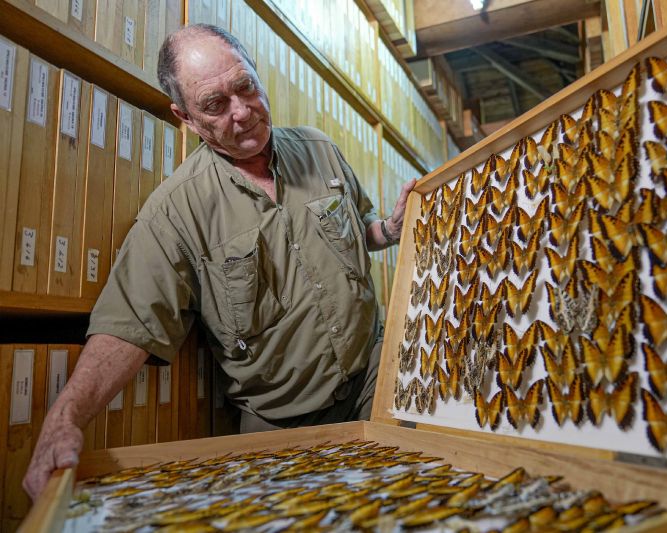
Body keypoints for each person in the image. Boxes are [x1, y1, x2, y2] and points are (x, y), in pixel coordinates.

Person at [23, 24, 416, 499]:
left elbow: (360, 226)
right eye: (215, 104)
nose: (243, 112)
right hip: (282, 424)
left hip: (376, 377)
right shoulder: (175, 212)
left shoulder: (320, 149)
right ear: (185, 117)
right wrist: (63, 420)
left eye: (246, 86)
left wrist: (390, 231)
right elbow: (128, 325)